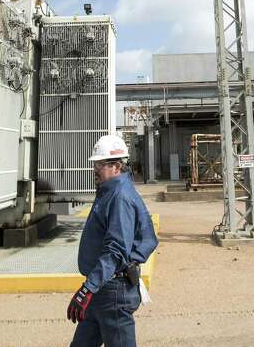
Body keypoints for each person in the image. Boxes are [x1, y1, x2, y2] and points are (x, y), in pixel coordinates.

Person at [67, 134, 158, 347]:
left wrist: (87, 288)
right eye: (95, 163)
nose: (95, 169)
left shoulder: (120, 197)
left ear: (116, 166)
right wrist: (91, 288)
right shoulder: (111, 192)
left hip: (113, 292)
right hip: (102, 289)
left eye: (100, 164)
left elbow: (116, 250)